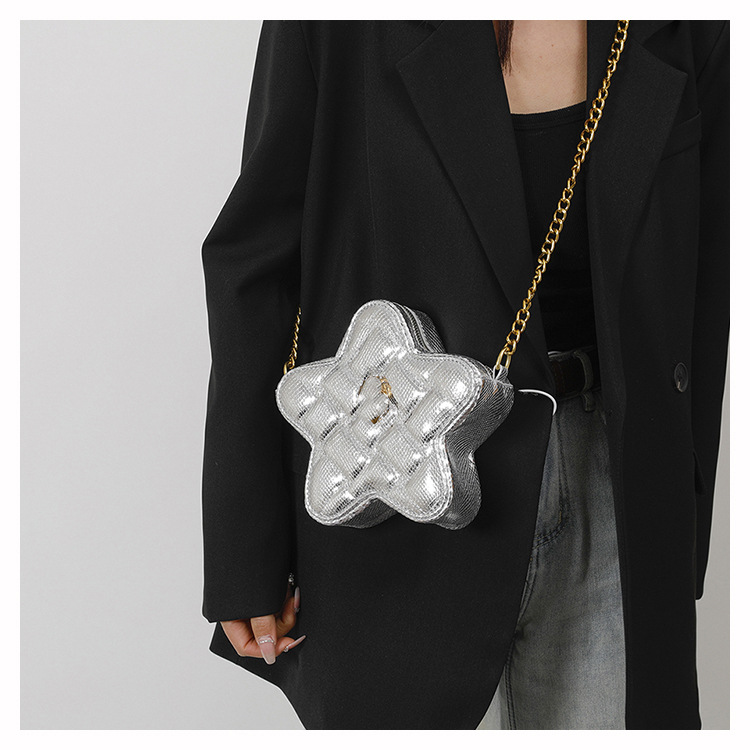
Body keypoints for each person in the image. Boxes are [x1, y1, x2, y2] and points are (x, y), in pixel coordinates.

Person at [200, 20, 729, 729]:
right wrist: (245, 545)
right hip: (394, 492)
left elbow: (707, 266)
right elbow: (256, 256)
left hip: (614, 493)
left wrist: (680, 524)